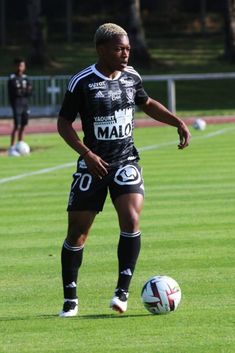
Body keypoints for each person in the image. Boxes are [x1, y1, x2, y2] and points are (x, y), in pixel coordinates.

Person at [57, 23, 191, 317]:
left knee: (131, 220)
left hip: (126, 161)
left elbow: (147, 103)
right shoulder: (82, 81)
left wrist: (176, 122)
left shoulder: (132, 77)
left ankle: (122, 292)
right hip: (93, 165)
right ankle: (70, 299)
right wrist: (87, 154)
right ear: (101, 49)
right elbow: (63, 124)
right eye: (119, 48)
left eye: (128, 48)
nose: (126, 53)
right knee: (77, 233)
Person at [8, 57, 32, 156]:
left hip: (25, 104)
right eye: (19, 65)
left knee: (23, 125)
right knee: (16, 126)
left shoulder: (26, 78)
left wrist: (25, 91)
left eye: (22, 65)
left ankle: (20, 144)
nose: (20, 67)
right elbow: (13, 92)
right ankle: (12, 148)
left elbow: (29, 91)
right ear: (15, 66)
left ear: (24, 67)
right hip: (16, 104)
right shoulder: (12, 78)